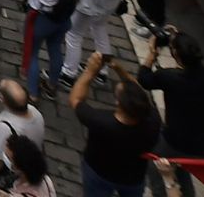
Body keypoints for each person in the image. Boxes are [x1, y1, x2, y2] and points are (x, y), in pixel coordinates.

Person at [130, 35, 204, 197]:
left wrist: (152, 53)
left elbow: (144, 79)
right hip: (203, 145)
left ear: (176, 55)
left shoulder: (170, 78)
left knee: (157, 166)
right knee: (181, 169)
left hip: (176, 143)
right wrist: (179, 37)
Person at [67, 55, 161, 197]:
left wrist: (90, 72)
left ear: (118, 103)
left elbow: (76, 99)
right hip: (133, 177)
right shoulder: (153, 120)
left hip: (99, 173)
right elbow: (138, 93)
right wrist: (119, 69)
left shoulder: (100, 122)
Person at [14, 0, 76, 102]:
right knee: (55, 49)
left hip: (41, 21)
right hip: (62, 21)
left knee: (33, 54)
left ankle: (33, 94)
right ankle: (52, 85)